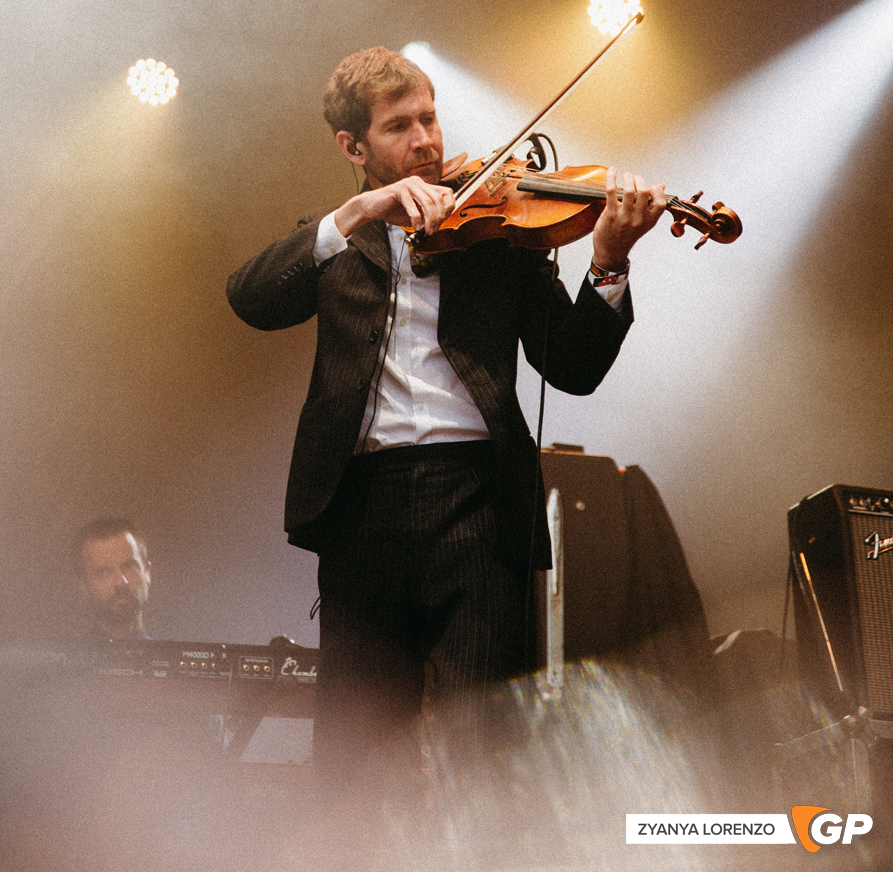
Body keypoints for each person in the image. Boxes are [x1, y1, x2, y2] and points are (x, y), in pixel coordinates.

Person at [226, 46, 666, 789]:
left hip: (477, 503)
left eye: (429, 118)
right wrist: (360, 210)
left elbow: (574, 369)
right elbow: (251, 298)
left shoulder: (503, 232)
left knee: (480, 743)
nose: (426, 140)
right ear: (353, 147)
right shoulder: (335, 238)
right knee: (355, 752)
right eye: (399, 127)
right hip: (358, 507)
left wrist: (609, 262)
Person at [72, 517, 151, 642]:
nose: (121, 582)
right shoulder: (64, 659)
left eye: (130, 567)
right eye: (104, 573)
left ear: (147, 572)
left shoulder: (172, 657)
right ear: (83, 586)